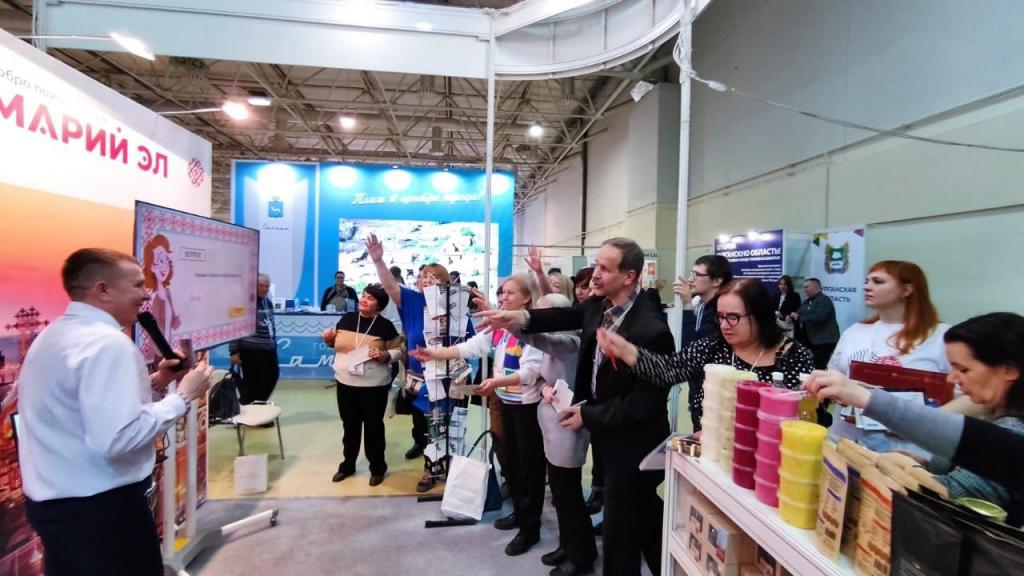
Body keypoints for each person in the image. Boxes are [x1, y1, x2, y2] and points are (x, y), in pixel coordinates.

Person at [477, 237, 673, 576]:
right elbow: (561, 315)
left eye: (604, 268)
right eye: (596, 265)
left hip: (635, 441)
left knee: (622, 527)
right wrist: (516, 316)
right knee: (641, 515)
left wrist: (587, 414)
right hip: (607, 429)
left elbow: (644, 403)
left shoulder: (650, 328)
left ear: (629, 276)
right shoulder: (600, 306)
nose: (594, 275)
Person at [16, 248, 212, 576]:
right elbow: (117, 438)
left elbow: (83, 411)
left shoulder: (54, 335)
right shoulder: (108, 344)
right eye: (137, 285)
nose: (146, 294)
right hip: (102, 512)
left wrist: (158, 382)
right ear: (103, 290)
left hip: (63, 508)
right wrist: (183, 397)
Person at [804, 312, 1024, 524]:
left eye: (964, 370)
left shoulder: (1014, 430)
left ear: (1008, 371)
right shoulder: (993, 415)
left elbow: (954, 493)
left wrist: (909, 469)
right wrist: (925, 462)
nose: (952, 379)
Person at [415, 275, 545, 556]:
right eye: (501, 293)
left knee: (529, 466)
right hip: (504, 402)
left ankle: (530, 528)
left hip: (527, 407)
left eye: (510, 293)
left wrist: (495, 383)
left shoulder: (532, 330)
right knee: (508, 461)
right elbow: (472, 346)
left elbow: (531, 372)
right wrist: (435, 354)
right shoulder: (500, 327)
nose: (503, 298)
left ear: (526, 298)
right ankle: (521, 513)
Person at [598, 279, 815, 432]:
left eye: (733, 317)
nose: (724, 325)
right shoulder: (712, 347)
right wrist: (627, 351)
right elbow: (668, 369)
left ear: (759, 316)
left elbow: (804, 417)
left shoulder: (794, 356)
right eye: (720, 317)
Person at [365, 233, 474, 492]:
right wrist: (378, 261)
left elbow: (470, 343)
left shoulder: (456, 308)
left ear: (445, 283)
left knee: (451, 425)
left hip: (452, 378)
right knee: (429, 426)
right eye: (422, 276)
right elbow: (390, 286)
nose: (425, 280)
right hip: (422, 379)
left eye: (432, 277)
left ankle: (451, 468)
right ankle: (430, 469)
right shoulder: (412, 301)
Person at [508, 293, 597, 576]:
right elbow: (544, 377)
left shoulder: (569, 343)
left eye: (544, 313)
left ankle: (581, 555)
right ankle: (568, 545)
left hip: (567, 428)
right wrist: (545, 388)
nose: (539, 317)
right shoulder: (556, 344)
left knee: (569, 495)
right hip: (553, 425)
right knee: (561, 492)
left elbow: (532, 336)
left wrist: (506, 320)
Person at [322, 284, 402, 487]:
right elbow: (337, 345)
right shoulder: (347, 319)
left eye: (370, 298)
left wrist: (384, 354)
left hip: (374, 386)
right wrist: (329, 340)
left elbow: (399, 350)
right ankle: (347, 465)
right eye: (364, 296)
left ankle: (377, 467)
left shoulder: (385, 326)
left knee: (373, 427)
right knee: (349, 426)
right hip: (345, 382)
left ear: (379, 305)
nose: (364, 300)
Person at [828, 261, 948, 375]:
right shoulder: (855, 331)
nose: (866, 287)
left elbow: (956, 385)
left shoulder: (941, 335)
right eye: (866, 281)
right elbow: (833, 374)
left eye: (878, 281)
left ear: (906, 290)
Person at [230, 273, 279, 405]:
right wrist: (234, 351)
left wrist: (274, 343)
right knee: (253, 382)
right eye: (261, 286)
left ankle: (260, 404)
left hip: (268, 349)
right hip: (250, 349)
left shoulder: (268, 302)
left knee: (272, 376)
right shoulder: (242, 302)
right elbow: (234, 327)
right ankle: (252, 407)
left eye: (267, 286)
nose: (264, 289)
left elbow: (271, 324)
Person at [676, 255, 732, 347]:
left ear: (717, 281)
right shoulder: (700, 304)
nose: (690, 280)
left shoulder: (720, 312)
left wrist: (687, 304)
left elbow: (693, 347)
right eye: (691, 274)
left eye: (696, 275)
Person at [790, 278, 838, 369]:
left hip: (824, 341)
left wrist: (799, 317)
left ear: (815, 287)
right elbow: (799, 313)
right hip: (811, 340)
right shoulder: (807, 301)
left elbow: (818, 317)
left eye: (806, 287)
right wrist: (792, 316)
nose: (804, 290)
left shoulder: (824, 300)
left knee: (819, 366)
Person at [142, 234, 180, 341]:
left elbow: (175, 324)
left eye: (166, 259)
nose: (164, 266)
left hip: (168, 347)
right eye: (160, 260)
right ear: (151, 266)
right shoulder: (150, 298)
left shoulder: (168, 293)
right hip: (157, 350)